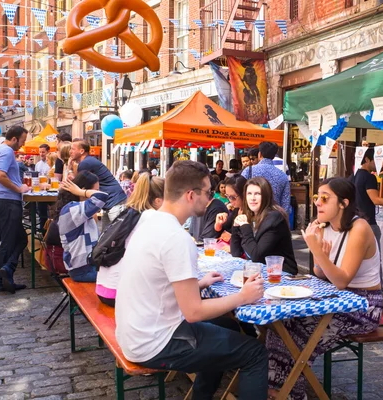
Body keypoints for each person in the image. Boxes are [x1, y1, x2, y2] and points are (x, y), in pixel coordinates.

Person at [115, 160, 268, 399]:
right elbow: (194, 312)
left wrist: (199, 283)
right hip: (154, 342)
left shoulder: (148, 221)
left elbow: (157, 283)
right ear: (190, 195)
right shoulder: (176, 238)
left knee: (227, 325)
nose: (211, 199)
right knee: (255, 353)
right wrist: (242, 297)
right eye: (208, 192)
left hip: (133, 332)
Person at [266, 178, 383, 400]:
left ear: (343, 203)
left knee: (299, 333)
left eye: (324, 198)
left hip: (364, 305)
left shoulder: (360, 228)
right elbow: (322, 274)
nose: (318, 203)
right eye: (316, 197)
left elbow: (341, 280)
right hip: (336, 298)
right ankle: (277, 389)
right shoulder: (326, 226)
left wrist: (315, 249)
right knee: (281, 324)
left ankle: (290, 393)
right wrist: (320, 253)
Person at [96, 172, 165, 307]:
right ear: (158, 200)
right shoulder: (151, 217)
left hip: (104, 288)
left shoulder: (129, 212)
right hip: (119, 294)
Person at [0, 125, 30, 294]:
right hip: (8, 201)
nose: (22, 144)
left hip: (2, 200)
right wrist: (18, 188)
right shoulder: (6, 152)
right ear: (14, 139)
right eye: (22, 141)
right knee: (9, 241)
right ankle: (4, 276)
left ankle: (6, 274)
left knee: (20, 239)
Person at [230, 176, 298, 275]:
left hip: (281, 275)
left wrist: (245, 227)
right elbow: (236, 253)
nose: (252, 198)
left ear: (266, 196)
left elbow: (256, 256)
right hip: (260, 272)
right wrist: (236, 228)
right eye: (249, 193)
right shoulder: (251, 215)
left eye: (257, 194)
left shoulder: (274, 218)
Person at [56, 171, 107, 282]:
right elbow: (102, 197)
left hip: (88, 267)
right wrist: (80, 192)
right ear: (84, 190)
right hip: (82, 271)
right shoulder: (71, 209)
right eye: (95, 190)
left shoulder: (80, 210)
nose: (96, 192)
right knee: (122, 278)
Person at [70, 138, 127, 228]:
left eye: (73, 149)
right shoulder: (88, 161)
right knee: (106, 237)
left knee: (117, 235)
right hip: (113, 201)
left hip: (114, 202)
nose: (70, 151)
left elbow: (78, 186)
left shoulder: (85, 163)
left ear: (81, 151)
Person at [241, 141, 291, 219]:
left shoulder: (248, 171)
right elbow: (286, 204)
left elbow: (240, 192)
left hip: (252, 216)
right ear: (274, 156)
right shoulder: (283, 176)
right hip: (275, 219)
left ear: (259, 154)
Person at [214, 175, 246, 243]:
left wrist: (232, 241)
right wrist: (218, 224)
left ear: (243, 194)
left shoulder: (252, 213)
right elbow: (221, 231)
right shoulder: (237, 210)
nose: (230, 200)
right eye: (227, 196)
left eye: (232, 197)